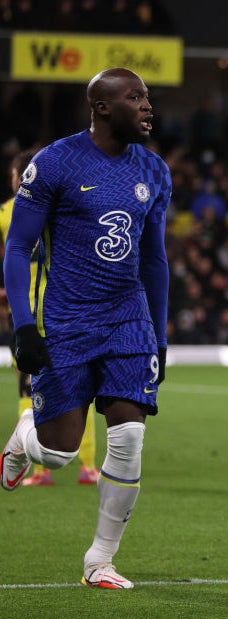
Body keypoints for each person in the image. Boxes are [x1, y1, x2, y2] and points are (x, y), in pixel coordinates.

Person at [1, 67, 171, 590]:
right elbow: (17, 247)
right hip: (69, 321)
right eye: (135, 97)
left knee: (128, 435)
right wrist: (23, 327)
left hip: (128, 318)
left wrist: (160, 337)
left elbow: (154, 261)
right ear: (102, 107)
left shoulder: (154, 169)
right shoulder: (54, 162)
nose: (147, 106)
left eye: (147, 97)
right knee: (58, 451)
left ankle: (100, 560)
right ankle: (21, 440)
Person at [0, 148, 100, 487]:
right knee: (82, 391)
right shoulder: (68, 205)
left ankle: (37, 467)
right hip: (68, 308)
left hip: (26, 310)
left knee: (28, 388)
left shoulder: (7, 212)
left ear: (19, 176)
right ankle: (88, 466)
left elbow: (11, 253)